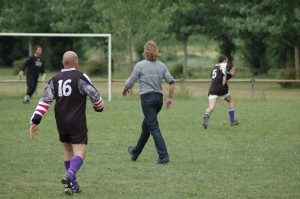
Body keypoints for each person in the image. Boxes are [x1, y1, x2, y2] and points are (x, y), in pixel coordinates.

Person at [29, 51, 104, 195]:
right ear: (76, 63)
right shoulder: (81, 77)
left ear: (63, 63)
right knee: (80, 153)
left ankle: (73, 185)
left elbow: (45, 101)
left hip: (61, 122)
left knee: (68, 151)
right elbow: (95, 96)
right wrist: (99, 107)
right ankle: (70, 175)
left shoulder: (54, 79)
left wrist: (35, 120)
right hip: (77, 121)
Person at [122, 40, 175, 164]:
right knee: (146, 126)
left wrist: (125, 88)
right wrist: (169, 98)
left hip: (147, 100)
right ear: (156, 51)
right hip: (159, 100)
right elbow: (171, 82)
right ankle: (135, 153)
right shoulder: (162, 66)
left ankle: (163, 156)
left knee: (153, 127)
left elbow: (131, 81)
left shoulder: (140, 65)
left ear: (145, 52)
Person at [202, 55, 239, 129]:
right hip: (221, 88)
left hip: (212, 88)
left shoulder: (214, 67)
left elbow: (216, 78)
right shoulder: (224, 65)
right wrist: (227, 77)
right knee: (230, 101)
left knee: (211, 106)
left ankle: (206, 115)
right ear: (224, 60)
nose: (227, 62)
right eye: (227, 60)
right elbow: (224, 74)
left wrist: (229, 76)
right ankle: (232, 120)